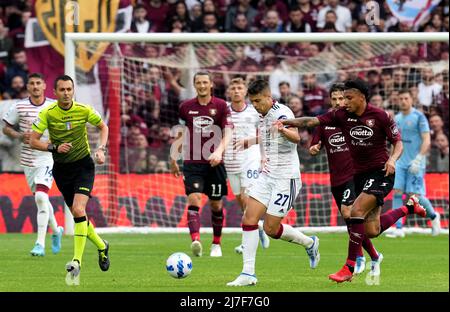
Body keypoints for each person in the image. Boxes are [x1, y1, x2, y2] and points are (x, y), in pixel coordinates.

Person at [282, 78, 426, 283]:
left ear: (361, 97)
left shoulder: (380, 116)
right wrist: (286, 122)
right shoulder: (340, 115)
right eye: (342, 98)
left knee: (355, 212)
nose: (344, 102)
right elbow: (311, 121)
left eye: (348, 97)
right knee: (371, 230)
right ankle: (409, 209)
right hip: (359, 176)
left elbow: (398, 142)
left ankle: (349, 266)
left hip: (381, 173)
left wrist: (393, 159)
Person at [227, 79, 319, 287]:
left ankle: (310, 242)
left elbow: (296, 137)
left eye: (258, 101)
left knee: (270, 229)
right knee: (248, 219)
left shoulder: (282, 112)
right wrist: (249, 141)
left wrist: (284, 130)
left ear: (269, 97)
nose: (256, 105)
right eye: (253, 102)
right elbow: (267, 135)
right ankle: (248, 273)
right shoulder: (263, 115)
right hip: (267, 175)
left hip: (286, 179)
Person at [30, 75, 110, 284]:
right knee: (78, 215)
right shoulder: (47, 113)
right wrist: (54, 147)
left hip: (83, 166)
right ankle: (102, 246)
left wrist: (101, 149)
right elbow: (33, 140)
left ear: (73, 90)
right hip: (61, 170)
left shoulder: (83, 110)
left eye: (69, 89)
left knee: (78, 210)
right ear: (55, 92)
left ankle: (77, 261)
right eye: (62, 90)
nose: (66, 93)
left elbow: (103, 127)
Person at [309, 83, 380, 275]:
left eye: (342, 98)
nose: (339, 102)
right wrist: (314, 148)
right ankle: (373, 255)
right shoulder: (327, 121)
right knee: (352, 223)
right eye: (335, 99)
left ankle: (357, 259)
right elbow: (314, 144)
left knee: (349, 212)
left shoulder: (354, 119)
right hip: (336, 179)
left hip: (353, 175)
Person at [170, 71, 232, 258]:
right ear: (195, 84)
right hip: (192, 161)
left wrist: (219, 151)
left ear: (211, 84)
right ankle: (196, 240)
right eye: (198, 82)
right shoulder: (185, 107)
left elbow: (228, 132)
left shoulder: (221, 106)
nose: (202, 85)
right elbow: (180, 133)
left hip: (215, 163)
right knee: (194, 198)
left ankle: (216, 243)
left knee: (215, 204)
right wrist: (174, 157)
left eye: (205, 82)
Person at [2, 72, 63, 256]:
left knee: (41, 198)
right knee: (41, 199)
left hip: (47, 156)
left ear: (44, 86)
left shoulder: (54, 106)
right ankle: (56, 230)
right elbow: (6, 128)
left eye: (39, 83)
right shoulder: (19, 106)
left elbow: (63, 125)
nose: (35, 86)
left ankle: (40, 244)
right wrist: (20, 136)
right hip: (27, 159)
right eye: (32, 84)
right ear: (27, 87)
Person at [223, 77, 270, 254]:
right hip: (230, 161)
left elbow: (267, 133)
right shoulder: (224, 110)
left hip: (250, 159)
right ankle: (257, 228)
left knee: (246, 198)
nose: (236, 91)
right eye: (233, 87)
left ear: (245, 92)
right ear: (229, 91)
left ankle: (246, 243)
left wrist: (253, 144)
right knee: (240, 201)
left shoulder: (253, 111)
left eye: (239, 88)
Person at [388, 89, 441, 238]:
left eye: (406, 98)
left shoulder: (419, 117)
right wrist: (392, 158)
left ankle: (434, 216)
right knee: (397, 192)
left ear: (411, 100)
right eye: (401, 99)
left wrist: (419, 159)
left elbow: (426, 139)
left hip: (416, 162)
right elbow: (395, 141)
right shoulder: (396, 118)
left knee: (414, 196)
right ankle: (398, 228)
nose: (403, 101)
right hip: (400, 162)